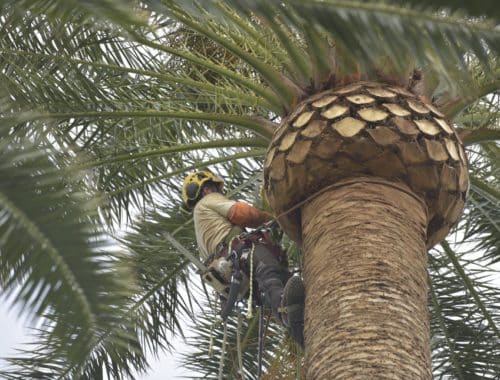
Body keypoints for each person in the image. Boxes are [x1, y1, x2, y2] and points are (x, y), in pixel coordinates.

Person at [182, 169, 305, 347]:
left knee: (277, 288)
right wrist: (275, 218)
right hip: (240, 254)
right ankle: (286, 311)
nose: (219, 193)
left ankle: (300, 329)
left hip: (233, 277)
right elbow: (242, 213)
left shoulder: (201, 224)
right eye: (216, 189)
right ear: (207, 189)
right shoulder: (208, 201)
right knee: (270, 273)